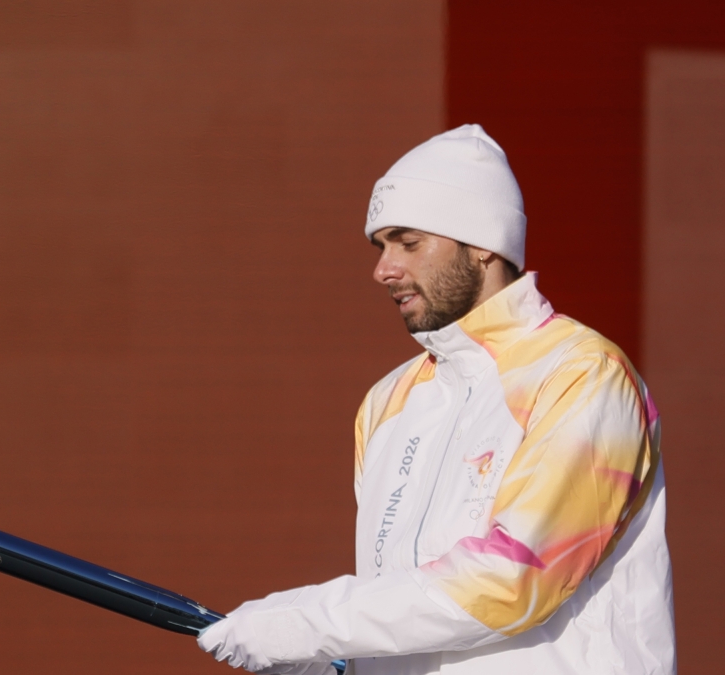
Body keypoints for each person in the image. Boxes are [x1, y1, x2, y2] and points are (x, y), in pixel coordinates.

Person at [197, 125, 675, 675]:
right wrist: (321, 661)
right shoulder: (388, 402)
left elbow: (515, 580)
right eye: (380, 246)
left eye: (409, 242)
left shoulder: (583, 375)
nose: (383, 270)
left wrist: (303, 624)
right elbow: (402, 610)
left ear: (482, 246)